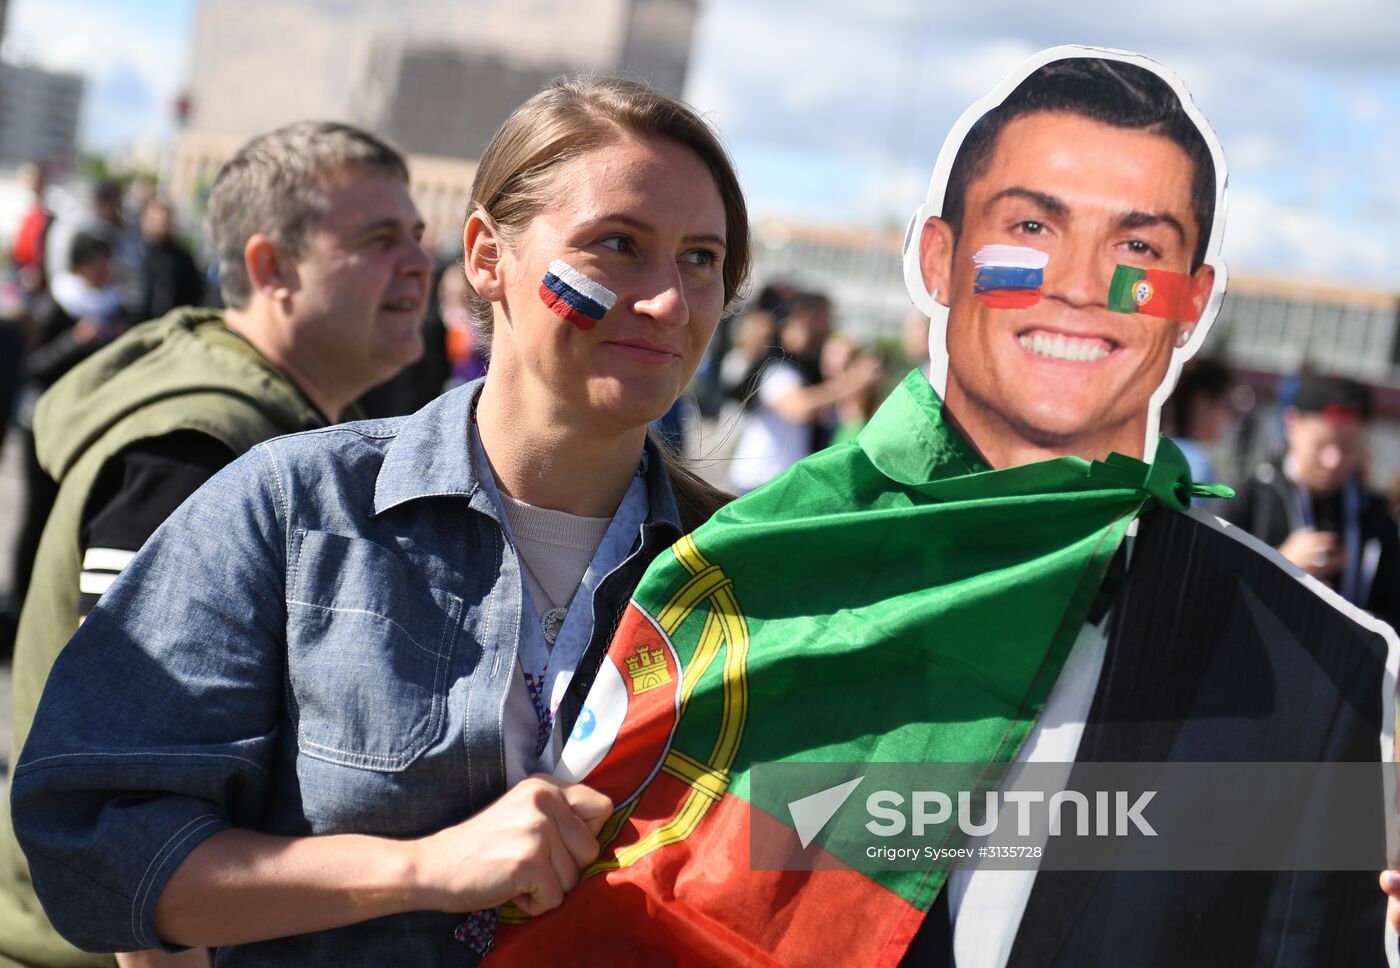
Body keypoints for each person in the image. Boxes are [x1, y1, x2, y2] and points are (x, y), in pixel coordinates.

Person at [10, 76, 749, 964]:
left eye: (702, 259)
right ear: (486, 257)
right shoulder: (292, 509)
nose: (669, 299)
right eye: (618, 244)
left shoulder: (754, 573)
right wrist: (423, 868)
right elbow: (99, 850)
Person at [0, 120, 433, 967]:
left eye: (416, 236)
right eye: (380, 239)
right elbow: (134, 798)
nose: (419, 262)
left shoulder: (250, 419)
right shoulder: (201, 445)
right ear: (272, 268)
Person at [1223, 373, 1400, 628]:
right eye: (1321, 444)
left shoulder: (1374, 518)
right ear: (1291, 425)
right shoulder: (1249, 498)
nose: (1334, 460)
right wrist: (1278, 565)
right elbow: (1210, 589)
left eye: (1348, 447)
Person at [727, 293, 881, 493]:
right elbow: (798, 408)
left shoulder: (802, 368)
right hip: (760, 483)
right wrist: (854, 380)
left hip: (778, 483)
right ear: (804, 317)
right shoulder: (778, 369)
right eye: (824, 318)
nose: (828, 326)